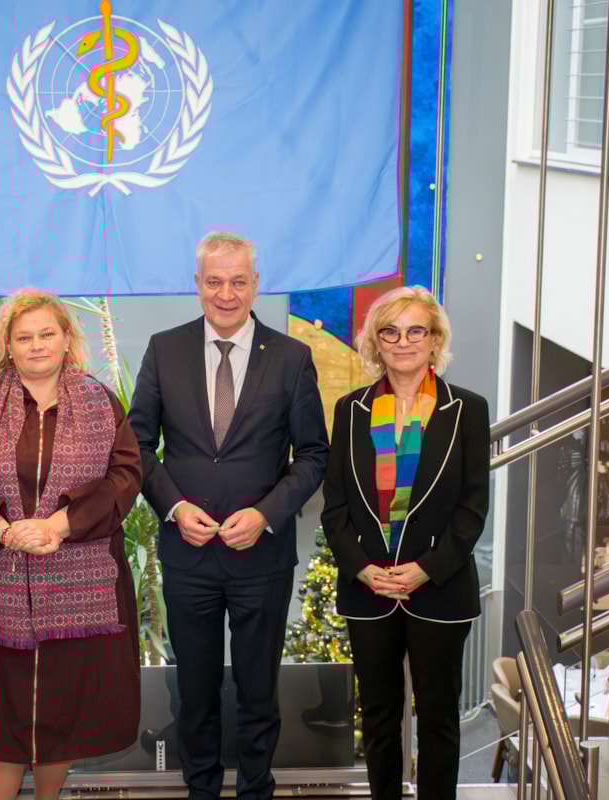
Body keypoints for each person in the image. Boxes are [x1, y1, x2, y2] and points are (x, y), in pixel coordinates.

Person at [127, 232, 329, 800]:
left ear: (255, 285)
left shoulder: (292, 358)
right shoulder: (164, 349)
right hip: (188, 554)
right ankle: (201, 790)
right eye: (214, 281)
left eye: (238, 281)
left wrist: (266, 515)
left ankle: (256, 790)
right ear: (197, 285)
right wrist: (174, 505)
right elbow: (137, 447)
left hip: (261, 558)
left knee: (258, 690)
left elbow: (313, 456)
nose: (226, 293)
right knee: (195, 691)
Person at [0, 288, 142, 800]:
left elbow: (124, 477)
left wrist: (57, 527)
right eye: (24, 337)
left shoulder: (101, 403)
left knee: (61, 706)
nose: (37, 345)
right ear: (8, 345)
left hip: (76, 581)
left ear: (67, 339)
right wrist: (5, 530)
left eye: (48, 333)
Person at [320, 286, 490, 800]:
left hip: (438, 587)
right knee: (378, 716)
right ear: (376, 341)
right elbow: (335, 506)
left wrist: (425, 569)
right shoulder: (351, 409)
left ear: (435, 339)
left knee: (438, 717)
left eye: (416, 331)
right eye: (390, 332)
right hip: (369, 588)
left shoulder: (467, 410)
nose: (403, 342)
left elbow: (472, 508)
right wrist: (362, 568)